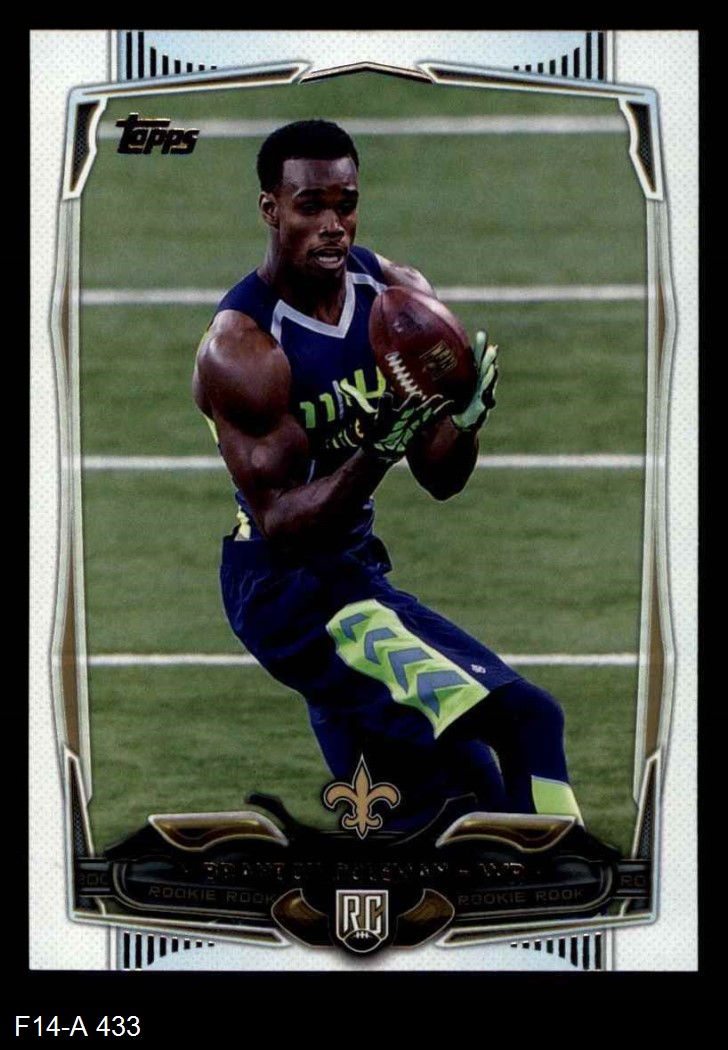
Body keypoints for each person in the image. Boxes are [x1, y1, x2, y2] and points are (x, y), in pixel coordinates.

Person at [193, 119, 583, 830]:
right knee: (530, 720)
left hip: (353, 570)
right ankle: (572, 874)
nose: (333, 225)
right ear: (270, 208)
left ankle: (495, 882)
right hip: (288, 592)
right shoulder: (244, 348)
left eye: (346, 204)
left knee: (443, 807)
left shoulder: (397, 297)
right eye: (311, 206)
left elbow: (440, 477)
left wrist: (464, 420)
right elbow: (281, 522)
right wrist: (376, 451)